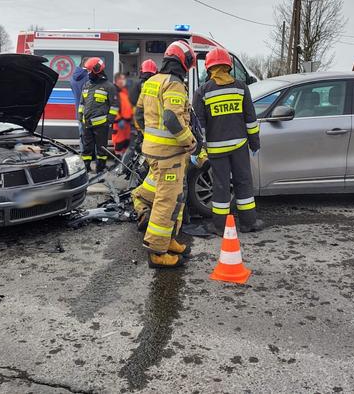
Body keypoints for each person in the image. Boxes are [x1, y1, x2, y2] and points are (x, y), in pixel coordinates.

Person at [131, 41, 197, 269]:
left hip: (152, 151)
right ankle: (157, 252)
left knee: (169, 196)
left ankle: (169, 240)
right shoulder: (174, 84)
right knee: (166, 201)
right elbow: (171, 118)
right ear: (185, 62)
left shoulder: (151, 81)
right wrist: (189, 142)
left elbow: (138, 115)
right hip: (169, 155)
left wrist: (149, 137)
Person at [193, 47, 263, 234]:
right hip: (240, 146)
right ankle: (249, 223)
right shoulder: (241, 87)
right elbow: (250, 119)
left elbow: (199, 128)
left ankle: (220, 226)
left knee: (221, 186)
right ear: (228, 66)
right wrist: (255, 143)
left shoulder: (202, 91)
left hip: (216, 150)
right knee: (243, 182)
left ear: (209, 68)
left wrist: (198, 150)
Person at [78, 58, 118, 173]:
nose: (88, 74)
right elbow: (82, 103)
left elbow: (114, 105)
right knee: (86, 149)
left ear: (97, 71)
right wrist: (80, 115)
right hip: (87, 124)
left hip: (101, 125)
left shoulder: (109, 87)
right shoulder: (86, 85)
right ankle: (86, 169)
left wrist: (109, 120)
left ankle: (100, 170)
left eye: (90, 71)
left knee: (102, 150)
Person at [112, 72, 133, 157]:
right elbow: (112, 107)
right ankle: (118, 162)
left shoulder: (123, 92)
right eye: (122, 79)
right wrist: (119, 119)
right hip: (119, 123)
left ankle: (122, 162)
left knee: (125, 143)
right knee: (119, 144)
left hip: (126, 124)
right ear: (117, 80)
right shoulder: (114, 91)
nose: (124, 81)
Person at [71, 63, 90, 150]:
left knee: (82, 134)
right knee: (89, 135)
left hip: (78, 110)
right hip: (88, 110)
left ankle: (83, 152)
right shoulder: (87, 77)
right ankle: (89, 154)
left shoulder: (72, 77)